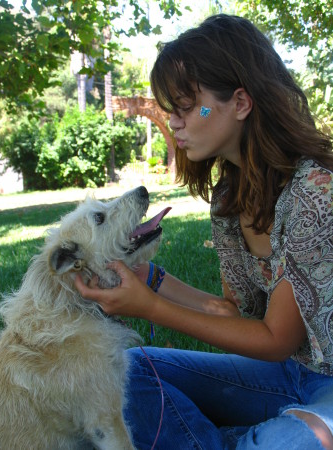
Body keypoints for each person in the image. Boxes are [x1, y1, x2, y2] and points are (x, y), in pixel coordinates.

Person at [75, 13, 333, 450]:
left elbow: (274, 339)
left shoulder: (317, 191)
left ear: (240, 102)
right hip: (289, 372)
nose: (174, 122)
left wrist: (152, 308)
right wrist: (152, 281)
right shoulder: (231, 197)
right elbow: (229, 312)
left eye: (188, 107)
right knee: (129, 368)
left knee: (296, 440)